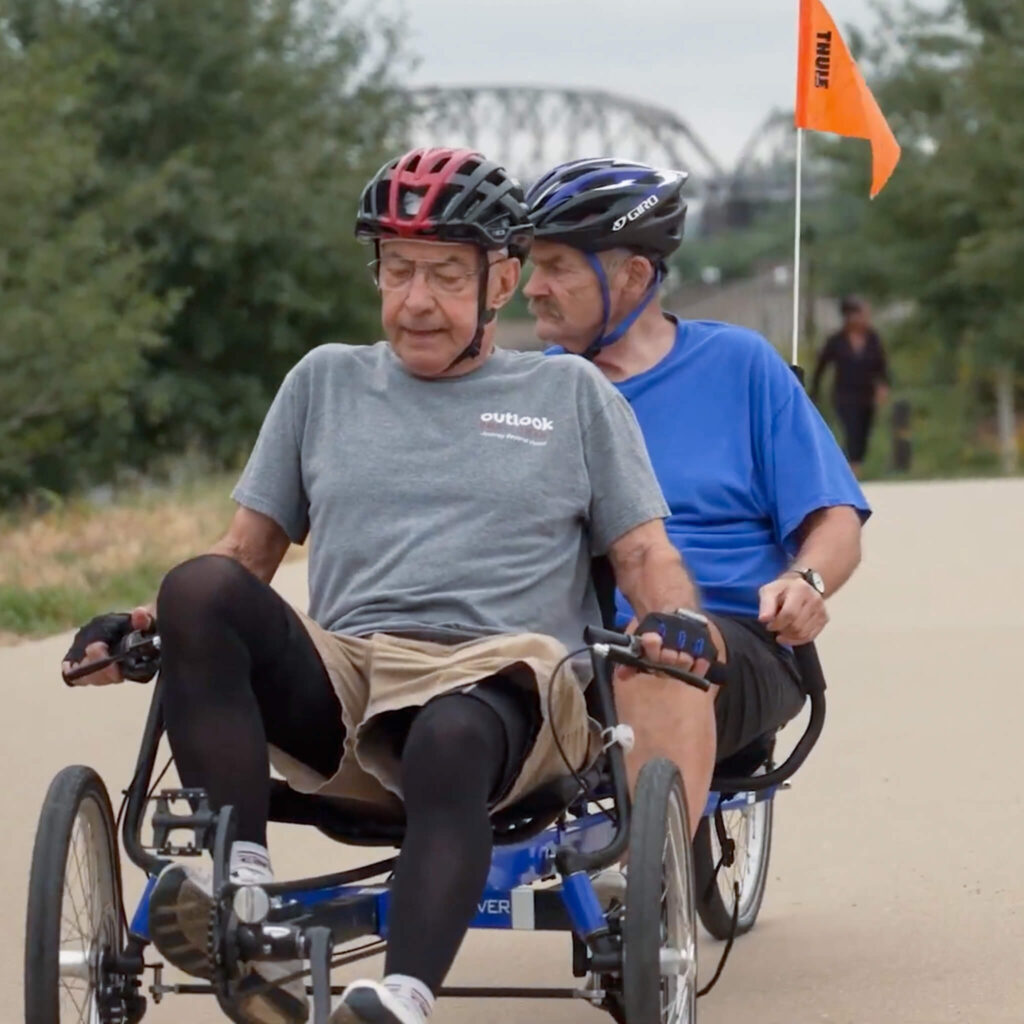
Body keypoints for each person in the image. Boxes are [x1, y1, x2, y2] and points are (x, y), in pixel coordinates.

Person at [61, 148, 714, 1024]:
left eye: (446, 275)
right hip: (351, 679)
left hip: (507, 680)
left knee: (447, 737)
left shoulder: (568, 395)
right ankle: (239, 894)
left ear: (502, 281)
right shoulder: (323, 381)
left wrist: (677, 619)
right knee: (198, 587)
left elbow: (642, 555)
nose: (415, 301)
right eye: (397, 270)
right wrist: (147, 621)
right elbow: (244, 554)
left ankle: (398, 997)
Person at [524, 157, 870, 846]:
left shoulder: (740, 366)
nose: (533, 289)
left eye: (558, 267)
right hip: (572, 651)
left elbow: (835, 519)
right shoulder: (532, 392)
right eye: (533, 266)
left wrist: (805, 582)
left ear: (633, 275)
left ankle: (658, 890)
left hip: (734, 645)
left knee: (666, 643)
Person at [811, 295, 891, 476]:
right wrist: (814, 391)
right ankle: (852, 471)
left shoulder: (872, 339)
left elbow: (881, 364)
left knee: (864, 430)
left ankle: (855, 464)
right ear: (850, 316)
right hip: (844, 394)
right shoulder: (836, 341)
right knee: (851, 428)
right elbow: (821, 366)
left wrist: (883, 386)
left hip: (866, 393)